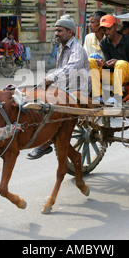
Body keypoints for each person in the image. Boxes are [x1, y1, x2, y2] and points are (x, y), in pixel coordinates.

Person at [27, 14, 90, 160]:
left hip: (80, 90)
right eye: (56, 30)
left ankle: (44, 142)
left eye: (60, 30)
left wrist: (51, 78)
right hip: (64, 88)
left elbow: (71, 67)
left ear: (70, 32)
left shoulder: (77, 49)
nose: (56, 33)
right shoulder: (61, 47)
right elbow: (60, 70)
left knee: (54, 110)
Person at [89, 15, 129, 106]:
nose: (107, 32)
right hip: (112, 75)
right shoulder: (104, 43)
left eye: (109, 29)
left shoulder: (128, 40)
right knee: (91, 61)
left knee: (120, 63)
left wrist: (117, 62)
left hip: (127, 75)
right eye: (104, 30)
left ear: (115, 26)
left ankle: (117, 95)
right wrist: (104, 64)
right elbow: (109, 66)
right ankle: (98, 95)